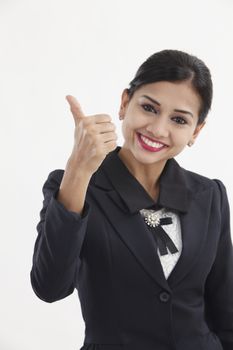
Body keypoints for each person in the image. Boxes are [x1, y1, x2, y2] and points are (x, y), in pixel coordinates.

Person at [30, 49, 233, 350]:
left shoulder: (210, 195)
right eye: (149, 108)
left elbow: (226, 307)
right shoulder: (75, 184)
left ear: (196, 131)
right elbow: (50, 286)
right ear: (125, 103)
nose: (158, 129)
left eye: (179, 119)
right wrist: (78, 169)